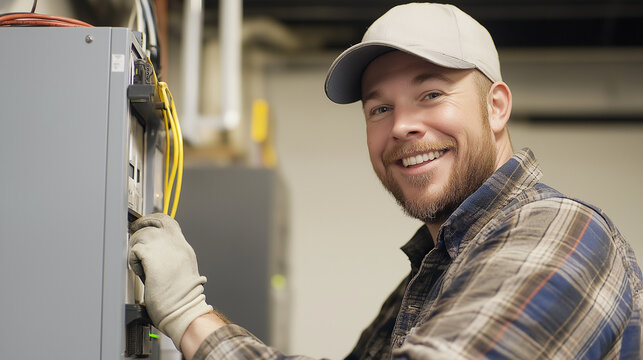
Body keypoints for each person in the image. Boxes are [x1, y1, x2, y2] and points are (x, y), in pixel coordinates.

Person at [128, 3, 643, 359]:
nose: (401, 126)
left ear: (497, 107)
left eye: (432, 94)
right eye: (380, 107)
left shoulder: (559, 233)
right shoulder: (438, 269)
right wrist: (186, 316)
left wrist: (190, 316)